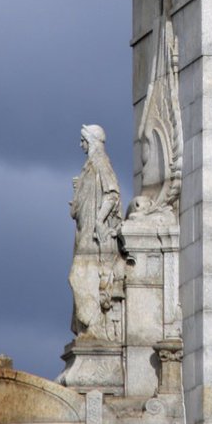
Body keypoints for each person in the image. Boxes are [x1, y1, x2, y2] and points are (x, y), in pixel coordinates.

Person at [68, 124, 124, 340]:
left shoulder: (100, 162)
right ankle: (89, 327)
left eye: (83, 140)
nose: (80, 144)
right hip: (86, 232)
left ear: (91, 140)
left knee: (80, 275)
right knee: (82, 275)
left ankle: (94, 327)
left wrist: (100, 222)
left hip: (94, 235)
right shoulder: (91, 164)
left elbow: (112, 193)